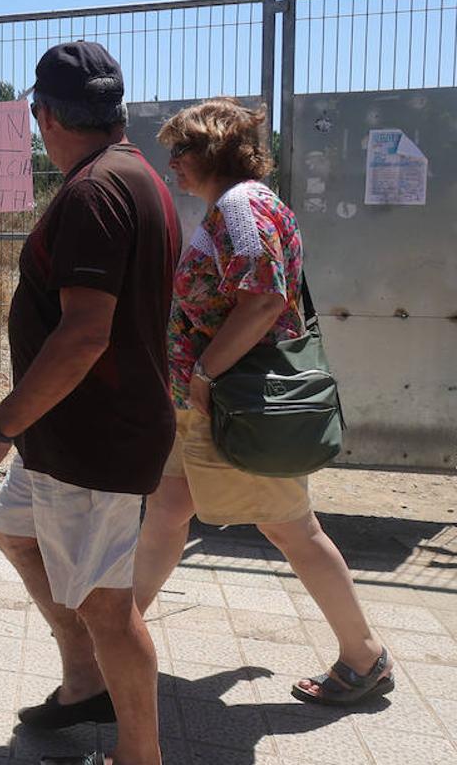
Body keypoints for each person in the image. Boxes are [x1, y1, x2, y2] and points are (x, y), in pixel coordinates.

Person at [0, 41, 180, 765]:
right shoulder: (137, 176)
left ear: (44, 115)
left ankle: (138, 755)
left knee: (110, 608)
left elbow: (84, 335)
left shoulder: (93, 193)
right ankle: (84, 681)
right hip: (67, 437)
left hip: (93, 439)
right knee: (14, 530)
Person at [131, 97, 393, 706]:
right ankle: (117, 635)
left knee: (292, 528)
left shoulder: (240, 207)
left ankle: (364, 657)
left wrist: (205, 371)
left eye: (181, 149)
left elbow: (264, 298)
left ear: (213, 150)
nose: (170, 162)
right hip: (212, 405)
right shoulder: (241, 205)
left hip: (238, 402)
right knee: (168, 510)